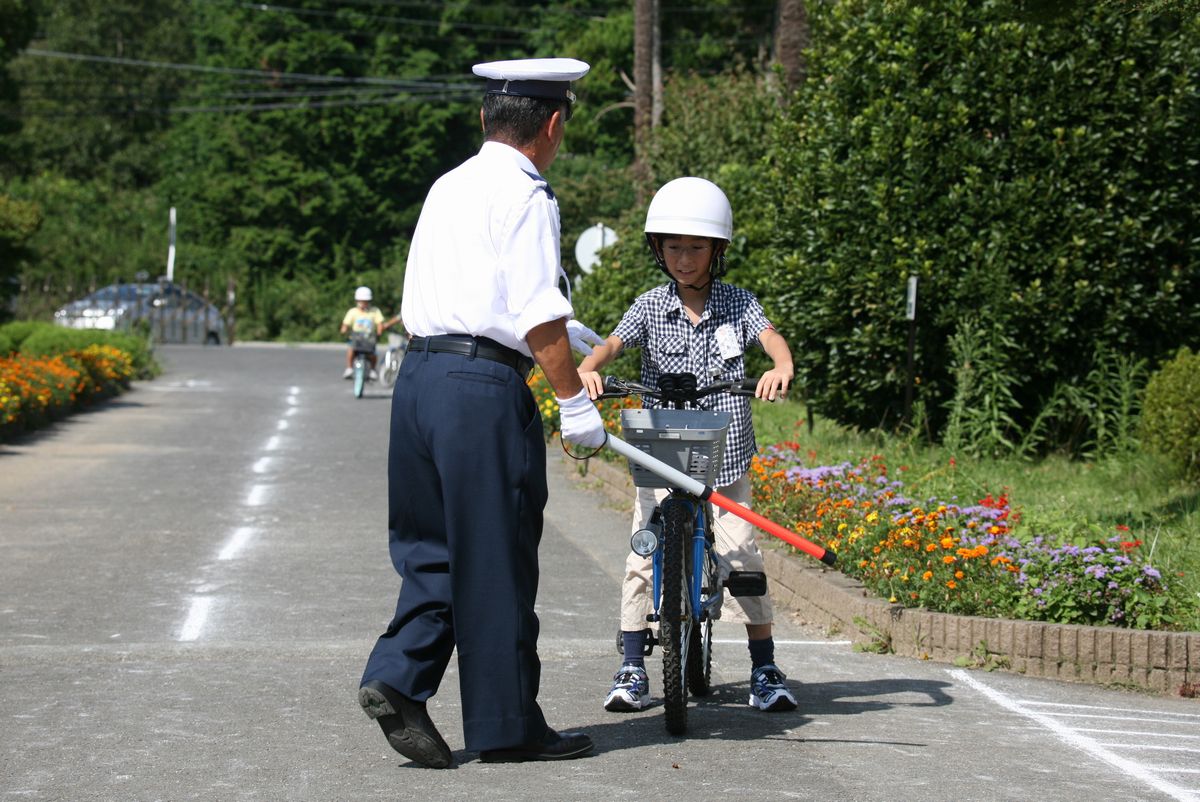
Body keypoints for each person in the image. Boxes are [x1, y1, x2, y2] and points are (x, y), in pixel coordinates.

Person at [358, 57, 607, 768]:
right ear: (553, 124)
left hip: (421, 379)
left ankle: (397, 679)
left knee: (430, 554)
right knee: (495, 558)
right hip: (481, 390)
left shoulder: (450, 184)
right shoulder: (528, 195)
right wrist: (571, 404)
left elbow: (482, 289)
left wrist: (564, 329)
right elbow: (533, 312)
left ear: (484, 120)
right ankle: (506, 724)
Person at [576, 176, 799, 715]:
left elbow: (770, 337)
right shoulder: (651, 305)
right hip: (661, 453)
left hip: (725, 457)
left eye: (696, 248)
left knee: (742, 554)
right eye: (673, 247)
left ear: (716, 250)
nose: (684, 257)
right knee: (642, 556)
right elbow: (612, 342)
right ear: (658, 249)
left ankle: (764, 667)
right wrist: (588, 367)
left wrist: (781, 364)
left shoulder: (738, 303)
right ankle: (632, 665)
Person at [339, 286, 400, 380]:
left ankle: (372, 370)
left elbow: (379, 323)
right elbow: (346, 324)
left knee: (373, 353)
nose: (364, 303)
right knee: (351, 349)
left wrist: (379, 332)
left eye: (366, 301)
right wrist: (344, 330)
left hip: (369, 337)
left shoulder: (374, 311)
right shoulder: (352, 312)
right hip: (356, 336)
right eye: (362, 301)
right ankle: (349, 368)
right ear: (357, 300)